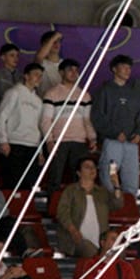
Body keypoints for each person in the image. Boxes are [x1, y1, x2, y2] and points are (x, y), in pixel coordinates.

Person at [91, 53, 140, 199]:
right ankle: (110, 207)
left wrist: (139, 133)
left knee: (132, 179)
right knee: (109, 176)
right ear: (114, 69)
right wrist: (114, 133)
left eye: (129, 68)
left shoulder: (135, 93)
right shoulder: (105, 90)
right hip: (112, 142)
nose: (127, 71)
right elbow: (97, 117)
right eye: (123, 67)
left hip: (131, 143)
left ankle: (129, 209)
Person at [41, 57, 97, 189]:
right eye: (69, 70)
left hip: (79, 142)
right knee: (55, 178)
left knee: (78, 180)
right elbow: (45, 120)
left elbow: (86, 120)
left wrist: (93, 138)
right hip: (59, 142)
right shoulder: (52, 93)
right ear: (61, 73)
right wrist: (49, 141)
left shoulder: (85, 95)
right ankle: (52, 206)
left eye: (76, 70)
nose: (73, 73)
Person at [54, 156, 119, 259]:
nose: (92, 169)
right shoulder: (71, 190)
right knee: (91, 252)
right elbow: (62, 213)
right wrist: (73, 231)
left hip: (100, 239)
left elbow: (117, 204)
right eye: (87, 167)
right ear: (79, 173)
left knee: (120, 253)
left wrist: (116, 185)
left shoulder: (102, 192)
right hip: (77, 240)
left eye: (93, 167)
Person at [0, 62, 46, 189]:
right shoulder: (14, 93)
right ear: (26, 76)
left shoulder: (38, 101)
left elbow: (38, 126)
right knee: (13, 182)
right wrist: (3, 141)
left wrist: (40, 151)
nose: (38, 78)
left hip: (32, 145)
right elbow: (1, 117)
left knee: (29, 183)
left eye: (40, 75)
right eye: (35, 75)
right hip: (15, 143)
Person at [0, 42, 24, 109]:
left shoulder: (22, 76)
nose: (16, 59)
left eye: (17, 56)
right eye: (12, 55)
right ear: (3, 57)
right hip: (2, 113)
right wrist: (5, 110)